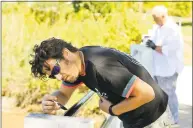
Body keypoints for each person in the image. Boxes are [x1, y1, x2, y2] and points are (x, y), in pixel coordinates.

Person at [29, 37, 169, 128]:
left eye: (56, 69)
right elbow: (63, 94)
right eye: (53, 75)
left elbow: (147, 94)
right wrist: (52, 102)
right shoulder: (79, 62)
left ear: (66, 54)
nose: (58, 77)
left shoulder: (101, 67)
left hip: (152, 119)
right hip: (134, 119)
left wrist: (111, 110)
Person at [146, 5, 184, 125]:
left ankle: (174, 120)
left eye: (155, 18)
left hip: (168, 69)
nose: (154, 20)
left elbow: (172, 47)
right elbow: (153, 40)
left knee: (169, 95)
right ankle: (163, 120)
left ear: (163, 16)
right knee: (159, 96)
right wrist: (149, 42)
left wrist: (155, 47)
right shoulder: (157, 27)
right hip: (157, 69)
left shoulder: (172, 29)